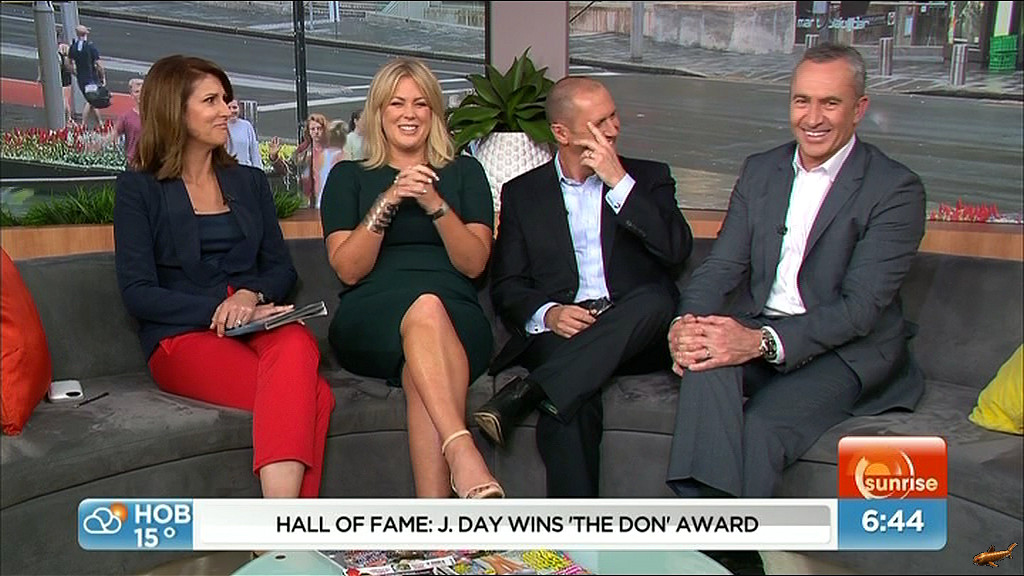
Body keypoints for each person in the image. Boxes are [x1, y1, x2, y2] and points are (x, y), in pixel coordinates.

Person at [666, 43, 926, 501]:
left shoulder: (895, 189)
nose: (813, 118)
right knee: (704, 361)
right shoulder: (761, 170)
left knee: (761, 427)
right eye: (802, 101)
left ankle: (721, 537)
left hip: (846, 351)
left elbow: (859, 310)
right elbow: (722, 266)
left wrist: (758, 342)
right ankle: (710, 530)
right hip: (762, 327)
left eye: (830, 103)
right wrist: (685, 327)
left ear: (859, 109)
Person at [113, 55, 336, 499]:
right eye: (211, 101)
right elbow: (138, 293)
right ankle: (288, 529)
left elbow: (281, 268)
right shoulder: (139, 189)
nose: (226, 110)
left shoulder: (249, 182)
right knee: (314, 398)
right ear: (174, 110)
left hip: (258, 319)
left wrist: (250, 296)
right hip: (183, 333)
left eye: (225, 100)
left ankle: (279, 531)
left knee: (295, 344)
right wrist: (222, 310)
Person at [474, 76, 693, 498]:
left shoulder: (649, 178)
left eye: (613, 116)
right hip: (566, 335)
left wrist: (619, 182)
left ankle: (531, 390)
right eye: (600, 123)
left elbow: (676, 250)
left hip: (636, 331)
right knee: (570, 403)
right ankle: (575, 534)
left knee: (655, 299)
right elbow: (508, 285)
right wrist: (550, 314)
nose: (614, 128)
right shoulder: (523, 193)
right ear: (562, 133)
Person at [320, 58, 501, 499]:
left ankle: (433, 524)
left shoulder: (466, 173)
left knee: (424, 348)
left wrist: (433, 202)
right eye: (397, 103)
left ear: (434, 112)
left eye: (421, 103)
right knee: (425, 308)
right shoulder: (348, 177)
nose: (409, 113)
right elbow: (348, 269)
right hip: (372, 316)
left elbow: (474, 264)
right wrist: (389, 199)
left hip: (457, 317)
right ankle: (462, 449)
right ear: (379, 111)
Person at [269, 113, 329, 207]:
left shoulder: (333, 149)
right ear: (308, 131)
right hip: (307, 201)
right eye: (313, 129)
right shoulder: (303, 150)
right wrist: (274, 157)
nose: (316, 132)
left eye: (319, 128)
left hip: (328, 197)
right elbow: (288, 170)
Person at [67, 24, 104, 128]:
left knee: (92, 100)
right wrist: (102, 76)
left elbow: (68, 63)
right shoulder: (90, 47)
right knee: (91, 100)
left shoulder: (73, 47)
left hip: (81, 78)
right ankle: (84, 123)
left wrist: (74, 72)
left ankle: (99, 123)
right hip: (92, 77)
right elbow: (99, 64)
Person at [105, 78, 143, 167]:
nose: (140, 95)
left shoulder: (156, 116)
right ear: (132, 95)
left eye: (143, 91)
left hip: (152, 165)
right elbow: (113, 136)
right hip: (133, 164)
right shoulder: (126, 117)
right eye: (137, 92)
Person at [225, 98, 263, 170]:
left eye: (234, 107)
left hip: (246, 169)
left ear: (239, 109)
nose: (232, 111)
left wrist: (258, 170)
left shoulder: (247, 126)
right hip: (227, 170)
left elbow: (254, 151)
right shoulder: (220, 126)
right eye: (228, 108)